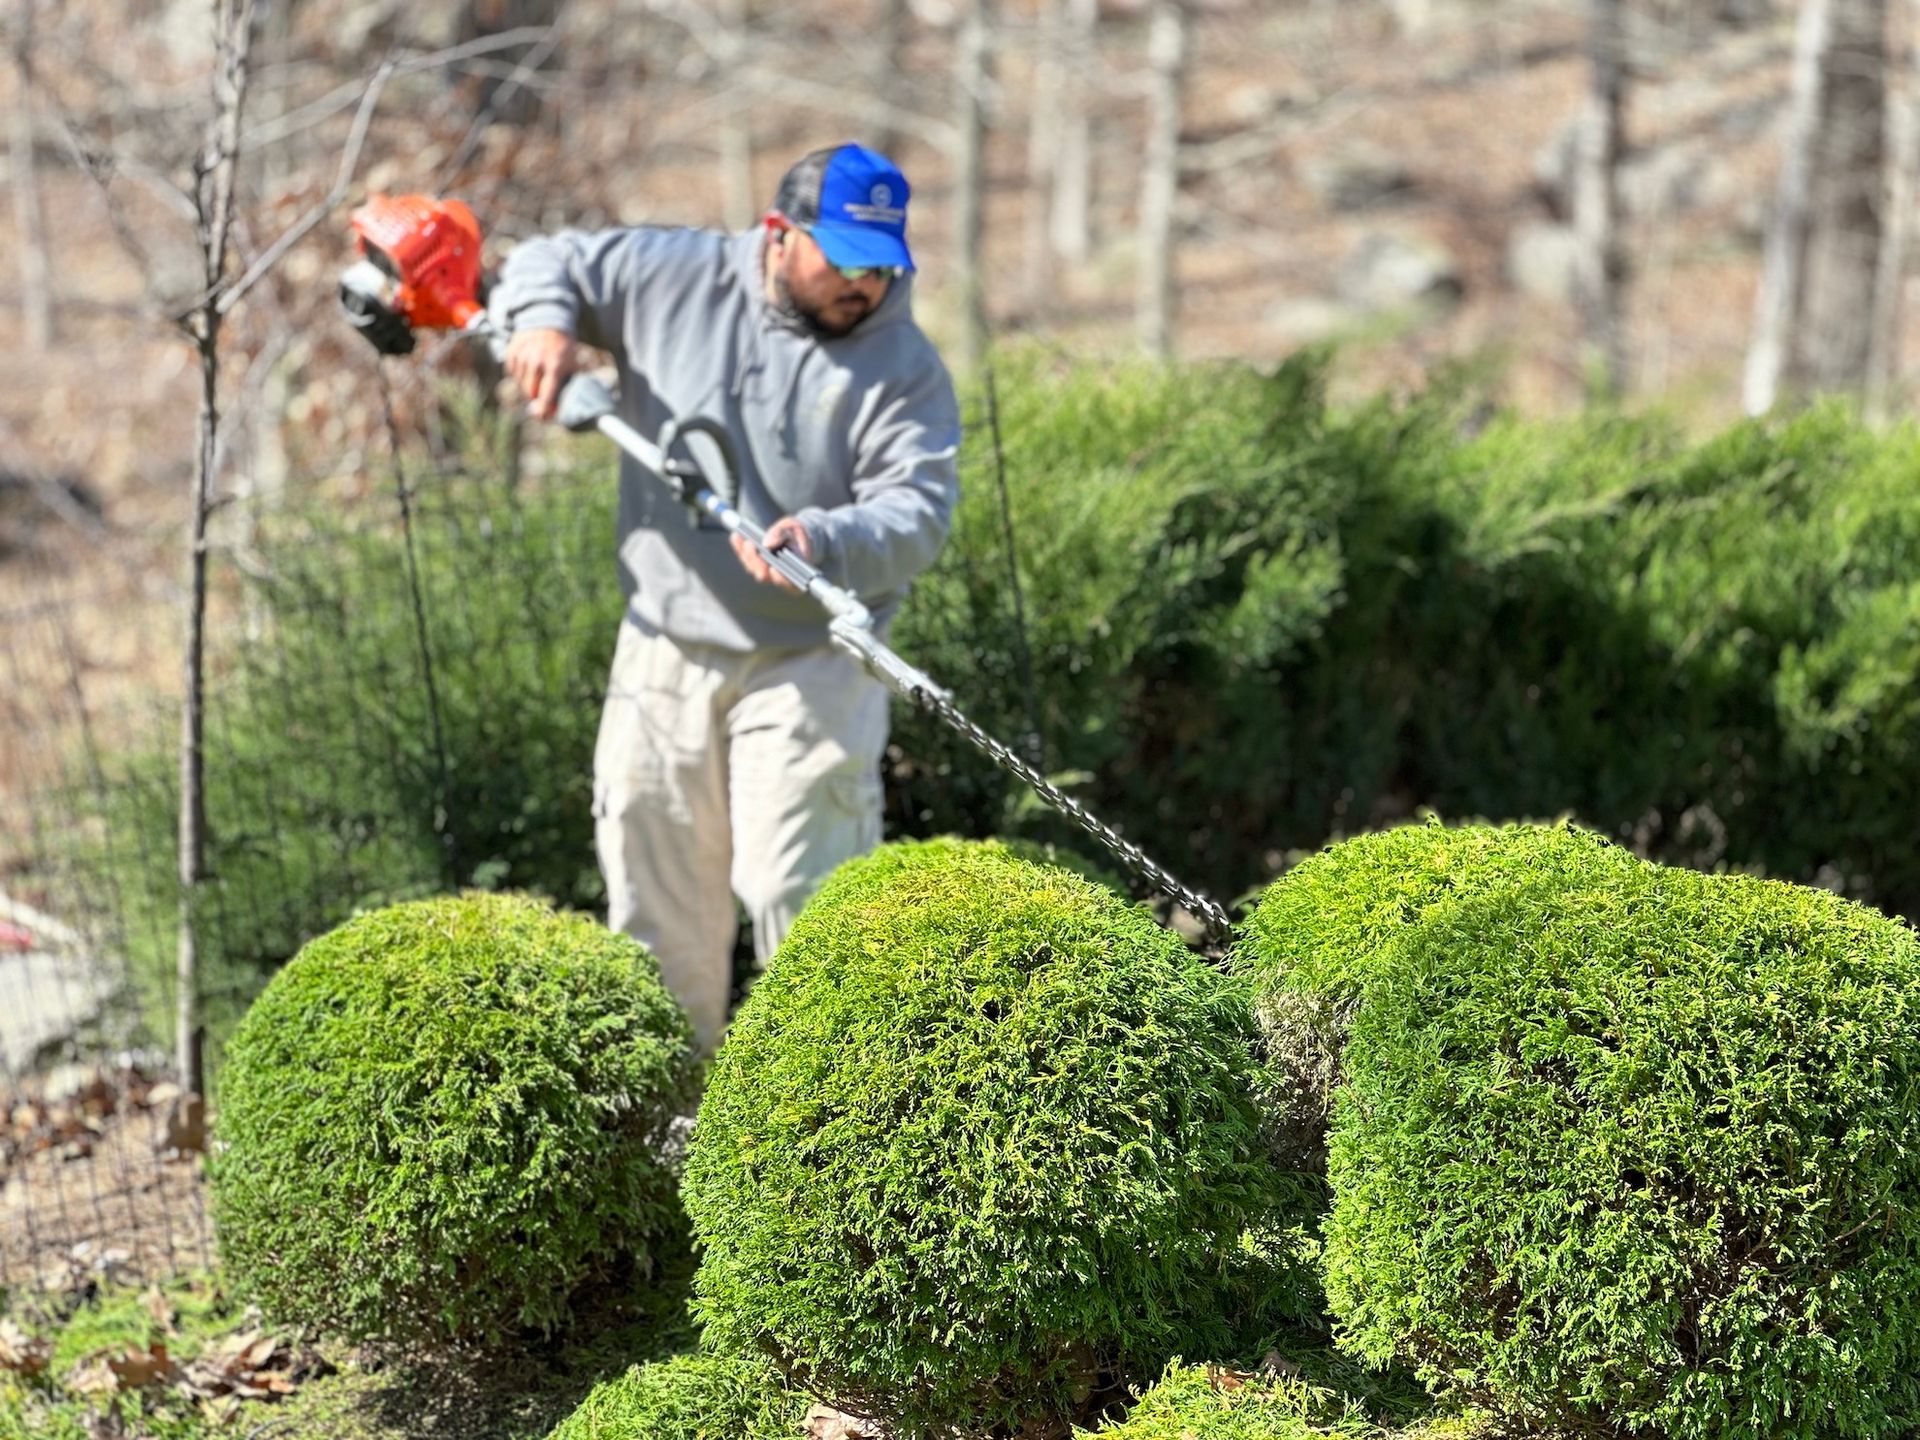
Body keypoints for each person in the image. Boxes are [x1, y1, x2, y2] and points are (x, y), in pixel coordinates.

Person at [489, 143, 961, 1056]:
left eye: (881, 266)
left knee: (799, 888)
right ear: (779, 235)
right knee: (652, 892)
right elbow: (547, 261)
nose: (862, 284)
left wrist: (826, 537)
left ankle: (816, 1127)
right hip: (664, 645)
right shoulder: (673, 275)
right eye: (842, 260)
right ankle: (679, 1136)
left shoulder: (902, 367)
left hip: (812, 658)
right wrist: (545, 321)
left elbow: (919, 512)